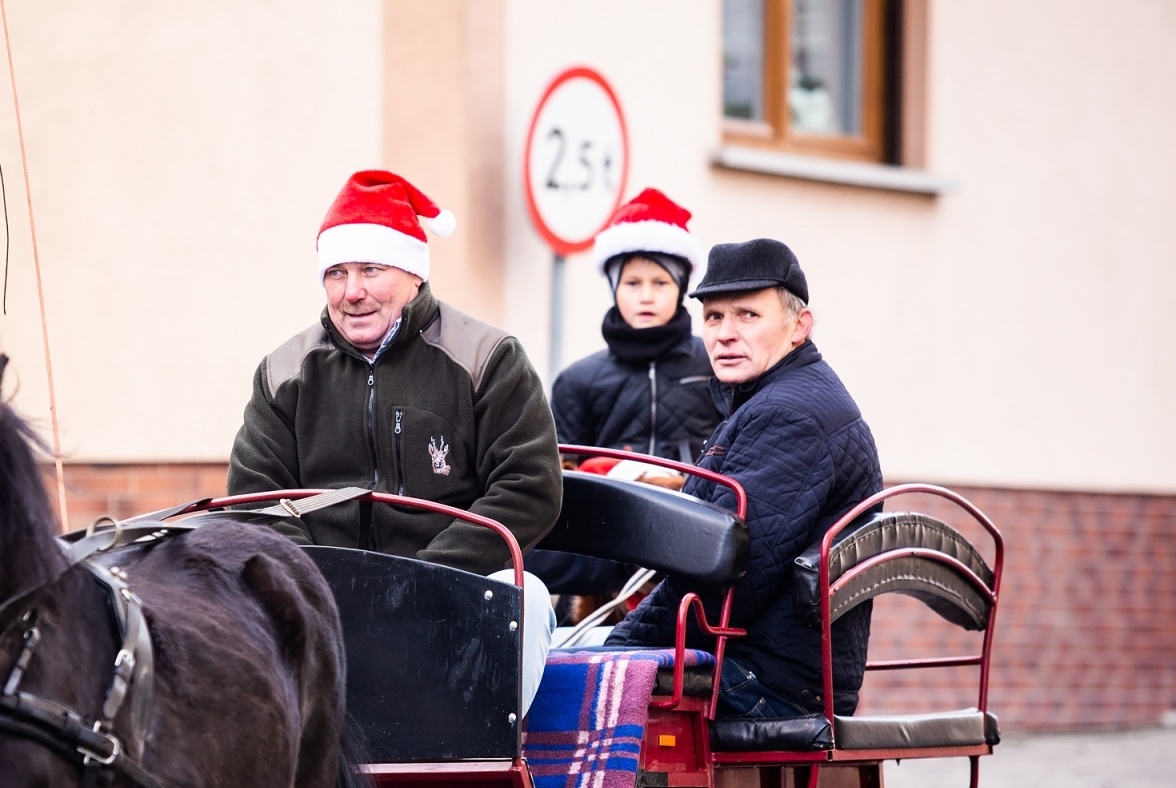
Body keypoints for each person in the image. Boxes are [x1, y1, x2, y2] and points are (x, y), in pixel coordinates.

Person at [229, 170, 563, 708]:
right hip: (324, 603)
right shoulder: (284, 374)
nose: (352, 291)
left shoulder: (489, 358)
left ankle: (482, 774)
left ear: (414, 272)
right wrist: (320, 588)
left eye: (371, 269)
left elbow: (530, 489)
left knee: (530, 598)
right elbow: (252, 503)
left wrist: (423, 578)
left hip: (454, 587)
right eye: (335, 272)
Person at [606, 238, 882, 724]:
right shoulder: (775, 399)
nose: (725, 334)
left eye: (748, 316)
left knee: (562, 684)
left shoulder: (788, 413)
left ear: (799, 326)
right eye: (713, 317)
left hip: (767, 683)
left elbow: (727, 577)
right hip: (778, 672)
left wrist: (619, 644)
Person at [551, 187, 718, 461]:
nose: (646, 297)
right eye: (632, 283)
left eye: (661, 283)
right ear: (613, 288)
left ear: (681, 288)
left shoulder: (715, 366)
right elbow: (561, 475)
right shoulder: (577, 381)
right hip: (609, 505)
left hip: (695, 504)